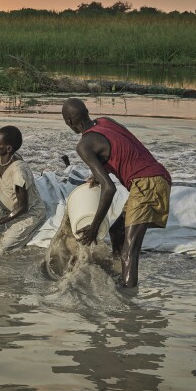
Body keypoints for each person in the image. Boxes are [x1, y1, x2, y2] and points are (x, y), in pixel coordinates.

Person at [61, 98, 172, 288]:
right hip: (155, 177)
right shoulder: (106, 122)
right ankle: (120, 274)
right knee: (117, 231)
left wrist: (94, 226)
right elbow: (122, 149)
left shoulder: (84, 145)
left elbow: (109, 188)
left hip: (146, 183)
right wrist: (99, 173)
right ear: (87, 111)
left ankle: (128, 299)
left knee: (130, 250)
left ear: (69, 122)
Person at [0, 126, 47, 254]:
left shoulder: (19, 171)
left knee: (3, 249)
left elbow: (22, 207)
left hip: (29, 214)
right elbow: (2, 175)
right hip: (8, 210)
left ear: (8, 148)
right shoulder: (2, 157)